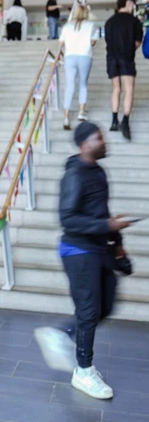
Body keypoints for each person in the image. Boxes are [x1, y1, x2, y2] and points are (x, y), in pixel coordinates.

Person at [35, 122, 130, 400]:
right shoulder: (74, 175)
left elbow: (103, 212)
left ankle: (63, 332)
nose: (104, 141)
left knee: (107, 305)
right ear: (84, 144)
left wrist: (117, 242)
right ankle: (83, 370)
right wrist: (107, 225)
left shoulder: (98, 172)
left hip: (99, 249)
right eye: (99, 137)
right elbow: (68, 219)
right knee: (89, 311)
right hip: (78, 251)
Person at [105, 0, 143, 140]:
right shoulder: (134, 21)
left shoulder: (109, 22)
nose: (133, 7)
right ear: (128, 3)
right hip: (126, 57)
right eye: (133, 4)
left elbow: (108, 41)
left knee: (116, 88)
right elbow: (137, 43)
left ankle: (114, 121)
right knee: (129, 89)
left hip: (111, 59)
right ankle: (125, 122)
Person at [59, 4, 99, 129]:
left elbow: (61, 42)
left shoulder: (67, 26)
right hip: (85, 56)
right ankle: (81, 112)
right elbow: (92, 42)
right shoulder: (91, 26)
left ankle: (66, 117)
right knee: (83, 84)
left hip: (69, 56)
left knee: (69, 85)